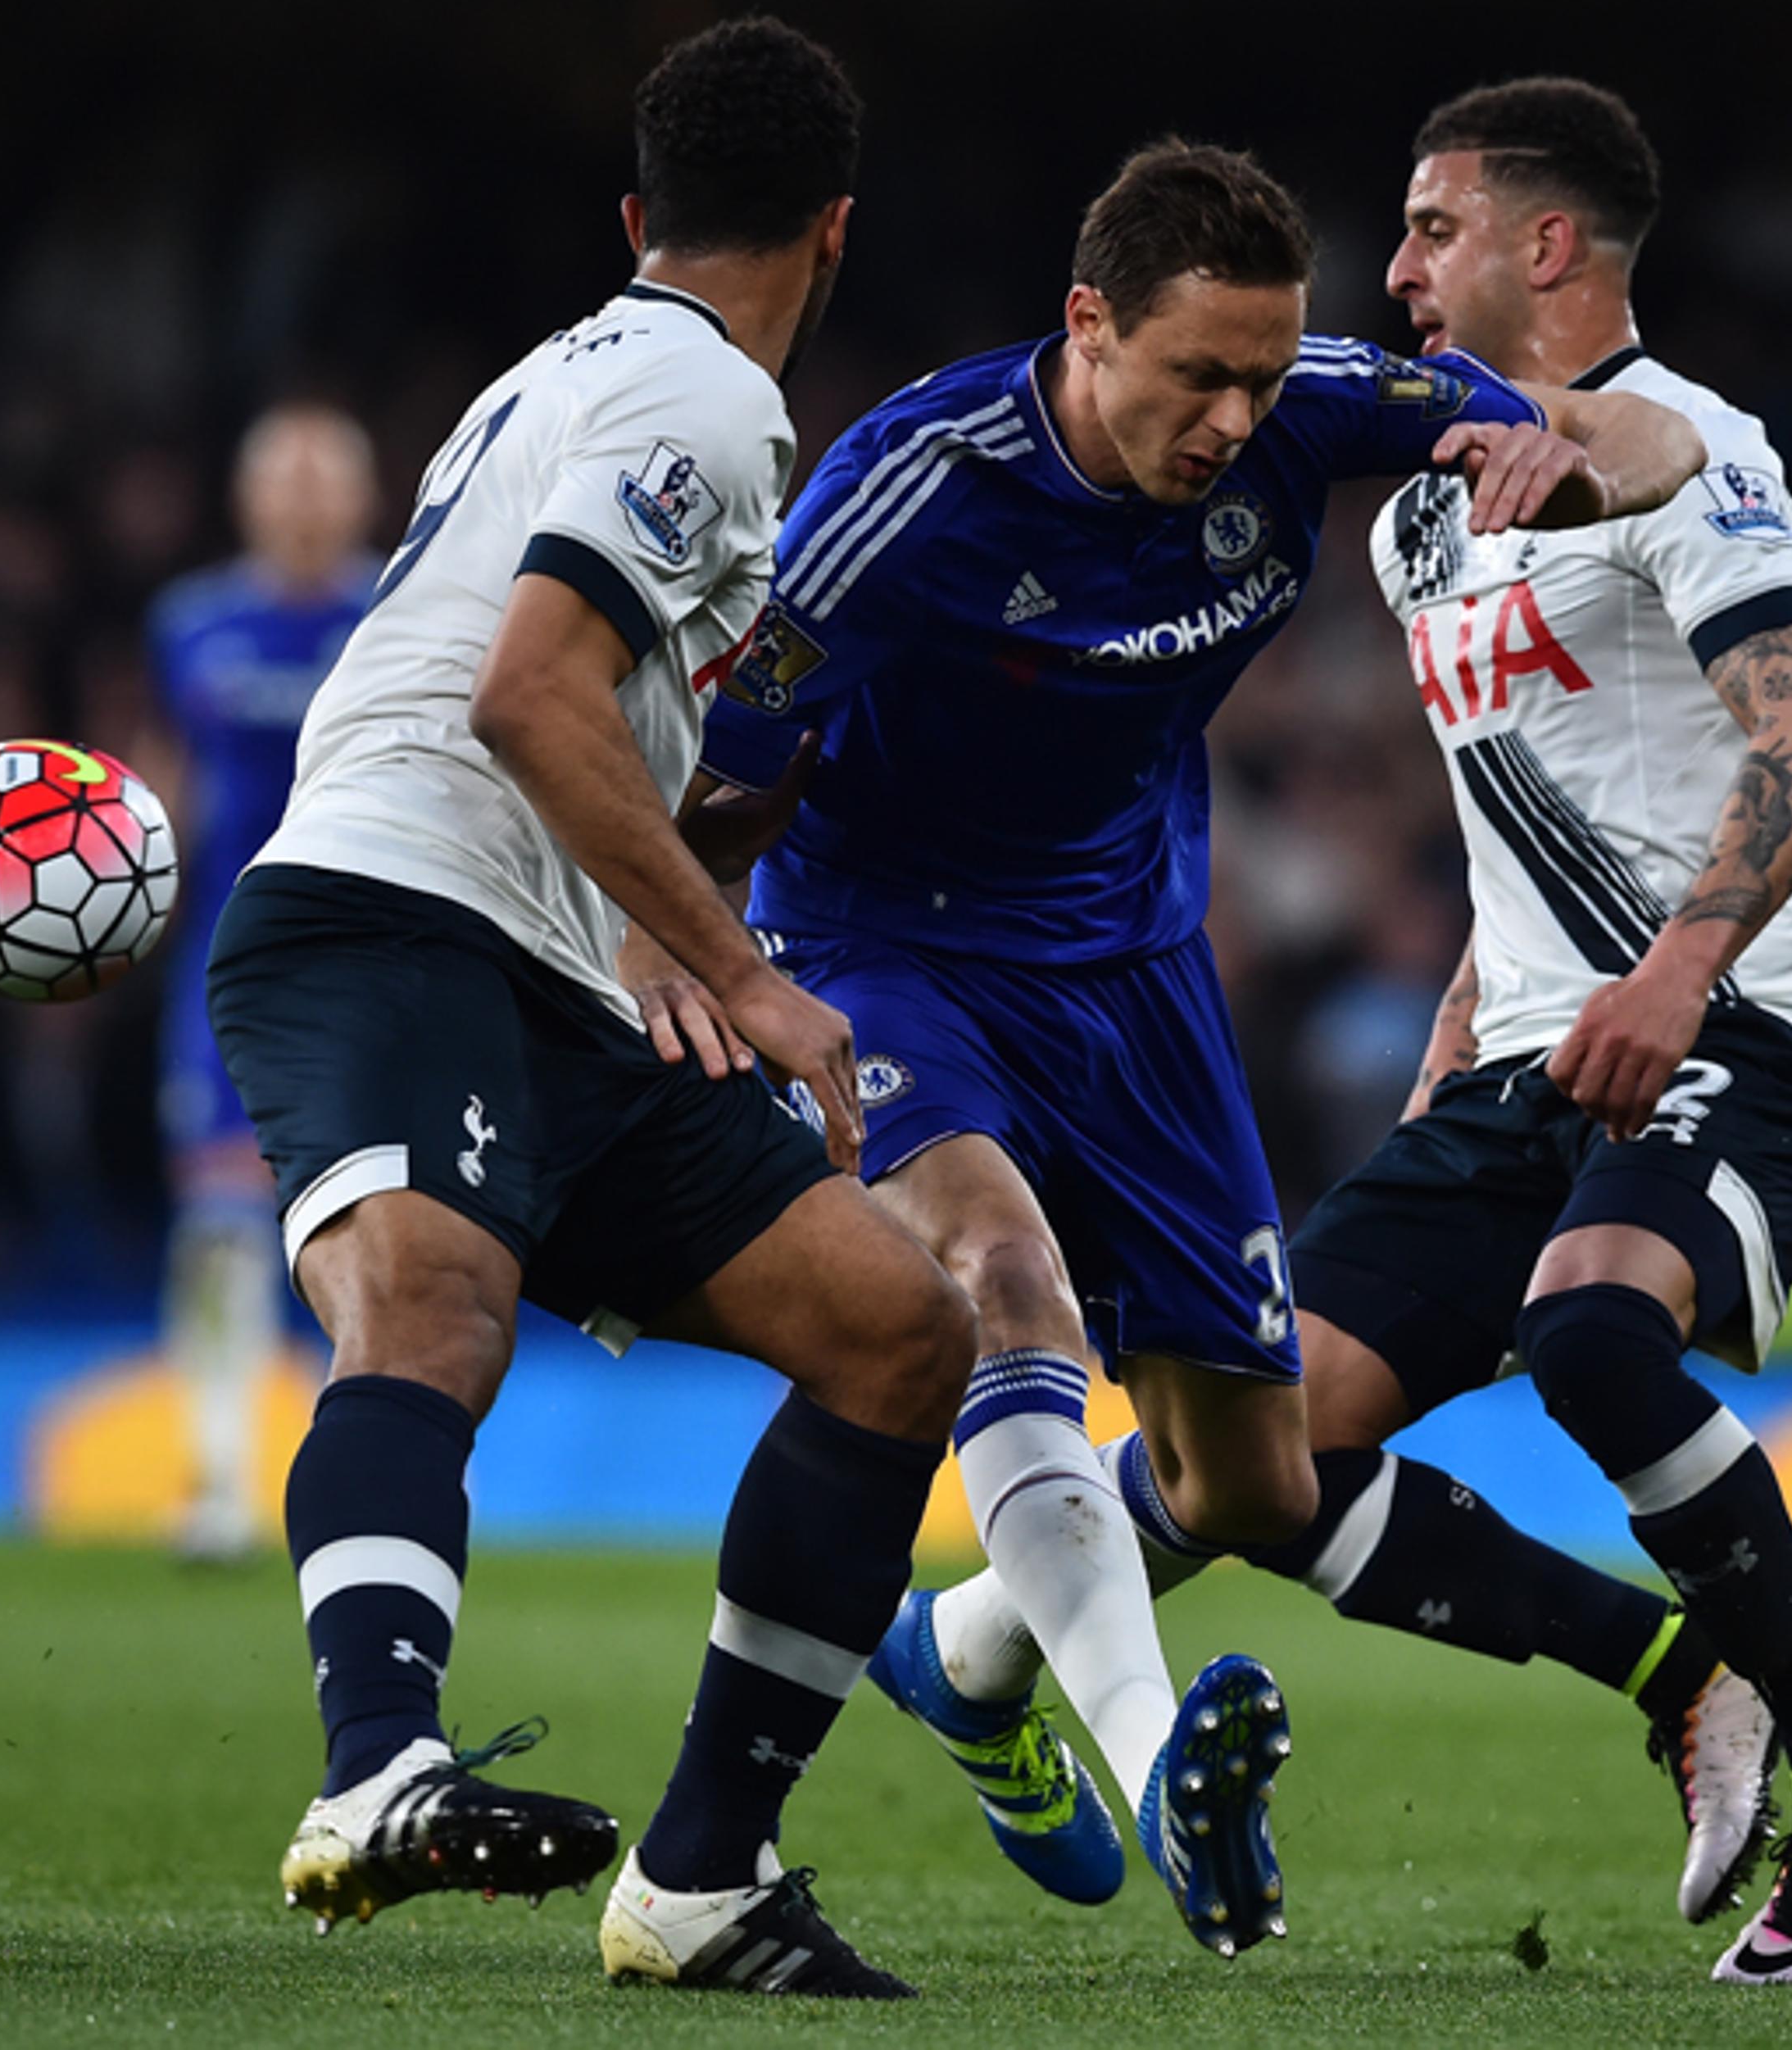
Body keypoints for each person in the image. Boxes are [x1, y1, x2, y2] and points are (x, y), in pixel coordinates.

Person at [910, 79, 1792, 1985]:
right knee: (1259, 1443)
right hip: (1517, 1069)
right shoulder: (1418, 526)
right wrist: (1460, 1044)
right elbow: (1515, 813)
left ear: (1543, 248)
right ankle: (1671, 1667)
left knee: (1586, 1328)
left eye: (1425, 228)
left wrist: (1669, 978)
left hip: (1737, 1036)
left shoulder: (1691, 454)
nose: (1386, 271)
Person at [666, 138, 1704, 1960]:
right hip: (891, 952)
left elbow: (1647, 438)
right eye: (1195, 375)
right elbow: (725, 760)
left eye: (1259, 373)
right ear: (1087, 324)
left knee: (1253, 1483)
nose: (1236, 417)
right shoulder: (909, 490)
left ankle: (975, 1670)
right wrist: (709, 964)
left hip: (1136, 976)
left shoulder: (1314, 401)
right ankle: (1158, 1766)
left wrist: (1564, 444)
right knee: (1003, 1279)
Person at [207, 17, 978, 2000]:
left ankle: (704, 1877)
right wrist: (746, 977)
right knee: (436, 1307)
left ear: (638, 216)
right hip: (388, 906)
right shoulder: (705, 398)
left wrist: (652, 921)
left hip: (543, 960)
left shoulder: (571, 365)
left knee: (896, 1331)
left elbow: (581, 708)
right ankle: (377, 1768)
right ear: (834, 234)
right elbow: (522, 693)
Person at [145, 401, 379, 1560]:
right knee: (220, 1229)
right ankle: (221, 1480)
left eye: (319, 479)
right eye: (279, 479)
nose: (299, 501)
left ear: (361, 497)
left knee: (386, 1225)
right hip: (226, 965)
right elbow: (163, 785)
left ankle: (381, 1468)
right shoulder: (187, 624)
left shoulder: (401, 607)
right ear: (245, 499)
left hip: (367, 959)